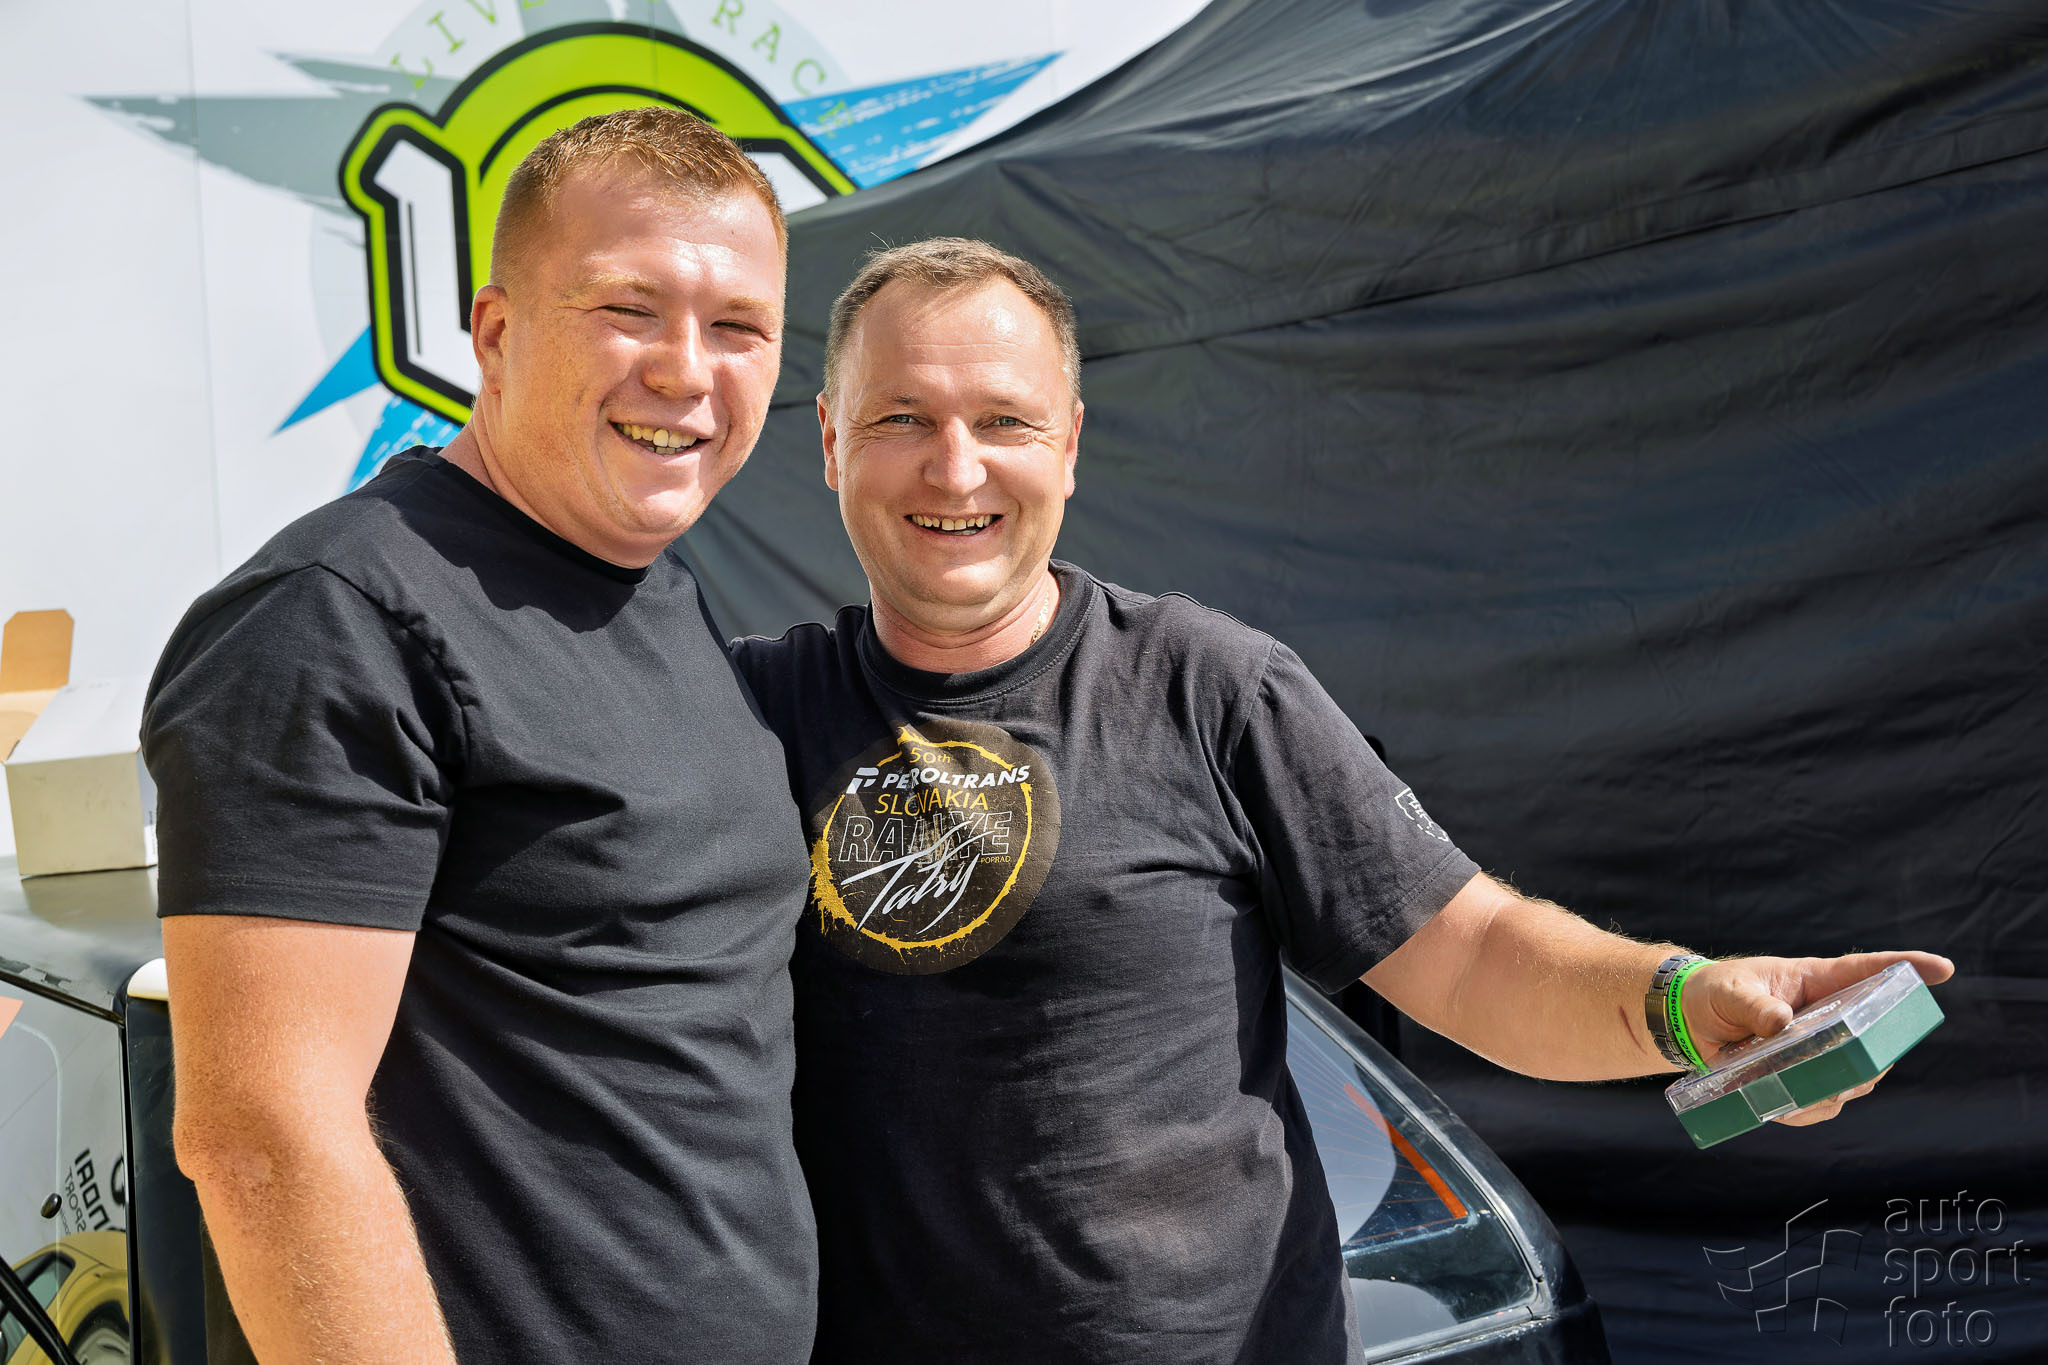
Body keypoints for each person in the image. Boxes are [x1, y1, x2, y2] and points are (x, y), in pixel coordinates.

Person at [729, 237, 1956, 1364]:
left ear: (1069, 445)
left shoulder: (1207, 687)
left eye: (1004, 419)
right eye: (901, 417)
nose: (955, 466)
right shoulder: (741, 715)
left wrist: (1688, 1003)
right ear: (829, 439)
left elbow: (1469, 953)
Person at [142, 108, 816, 1364]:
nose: (686, 370)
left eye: (738, 327)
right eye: (629, 309)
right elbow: (261, 1141)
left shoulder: (654, 590)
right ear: (496, 333)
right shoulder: (333, 617)